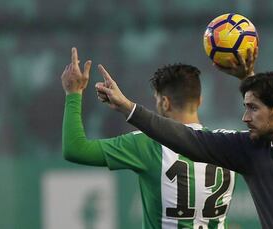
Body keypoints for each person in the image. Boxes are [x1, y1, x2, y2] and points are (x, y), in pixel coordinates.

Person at [96, 66, 273, 228]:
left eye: (253, 109)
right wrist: (127, 108)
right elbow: (188, 139)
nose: (244, 118)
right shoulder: (249, 151)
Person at [61, 47, 257, 228]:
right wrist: (248, 77)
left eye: (156, 99)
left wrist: (73, 93)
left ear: (164, 102)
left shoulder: (147, 143)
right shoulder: (230, 143)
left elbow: (75, 149)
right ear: (199, 100)